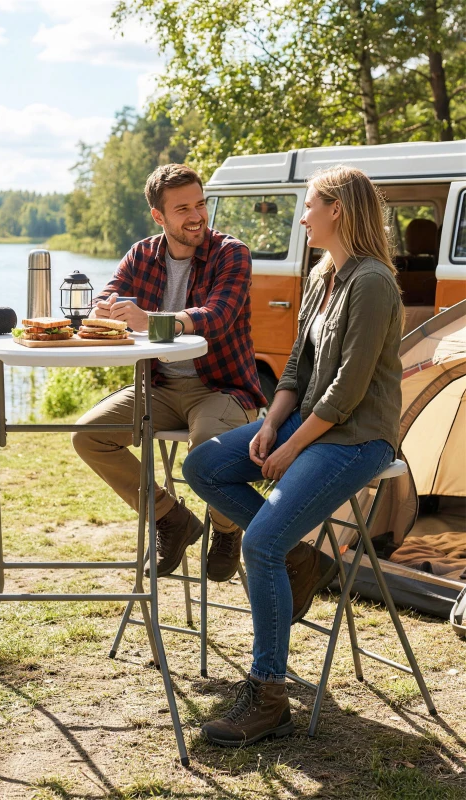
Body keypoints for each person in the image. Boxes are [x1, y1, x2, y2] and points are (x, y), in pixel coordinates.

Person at [182, 165, 403, 746]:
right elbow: (297, 372)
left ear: (339, 210)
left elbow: (349, 390)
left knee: (259, 542)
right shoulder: (324, 274)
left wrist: (292, 446)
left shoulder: (372, 281)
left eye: (309, 206)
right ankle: (300, 561)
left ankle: (268, 693)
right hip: (309, 422)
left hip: (359, 436)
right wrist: (271, 423)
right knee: (203, 465)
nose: (301, 217)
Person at [72, 163, 266, 579]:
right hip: (157, 387)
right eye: (183, 209)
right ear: (159, 216)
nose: (197, 216)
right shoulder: (141, 254)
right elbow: (107, 296)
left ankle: (228, 530)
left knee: (208, 453)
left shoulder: (231, 252)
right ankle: (171, 518)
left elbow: (218, 315)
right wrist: (103, 309)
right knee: (87, 437)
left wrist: (153, 322)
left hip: (222, 389)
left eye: (200, 204)